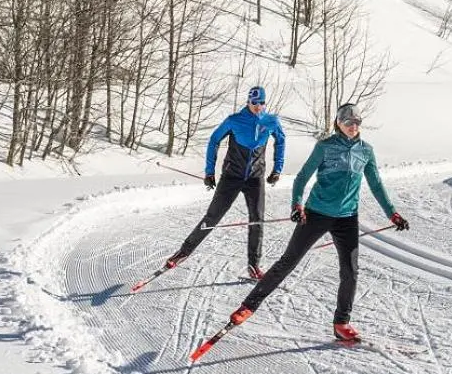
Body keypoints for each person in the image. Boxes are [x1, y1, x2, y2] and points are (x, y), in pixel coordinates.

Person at [223, 102, 408, 345]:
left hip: (347, 218)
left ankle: (341, 323)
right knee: (287, 262)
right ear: (338, 124)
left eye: (357, 122)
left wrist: (392, 213)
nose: (353, 127)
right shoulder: (325, 147)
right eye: (348, 122)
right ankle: (248, 306)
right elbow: (302, 177)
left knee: (350, 271)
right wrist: (297, 205)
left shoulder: (366, 150)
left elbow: (376, 184)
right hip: (316, 214)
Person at [164, 85, 287, 279]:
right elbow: (214, 140)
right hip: (232, 176)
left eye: (261, 103)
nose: (258, 106)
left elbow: (281, 141)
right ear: (248, 102)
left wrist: (277, 169)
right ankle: (183, 252)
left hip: (255, 178)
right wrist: (209, 171)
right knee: (212, 217)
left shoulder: (271, 121)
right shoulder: (234, 120)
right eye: (254, 103)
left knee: (257, 220)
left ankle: (253, 265)